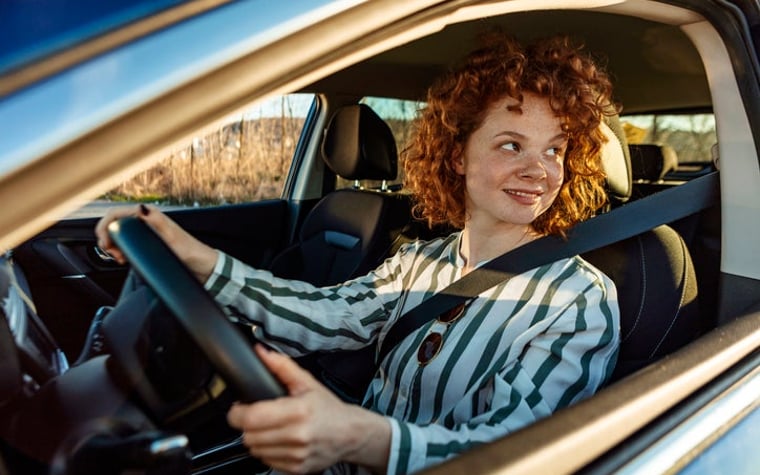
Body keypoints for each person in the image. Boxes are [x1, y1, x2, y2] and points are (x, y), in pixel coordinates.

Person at [96, 34, 620, 475]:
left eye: (555, 149)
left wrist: (360, 439)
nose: (540, 170)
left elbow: (523, 456)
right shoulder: (420, 261)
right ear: (458, 155)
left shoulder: (578, 300)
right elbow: (326, 315)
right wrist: (199, 260)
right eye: (512, 144)